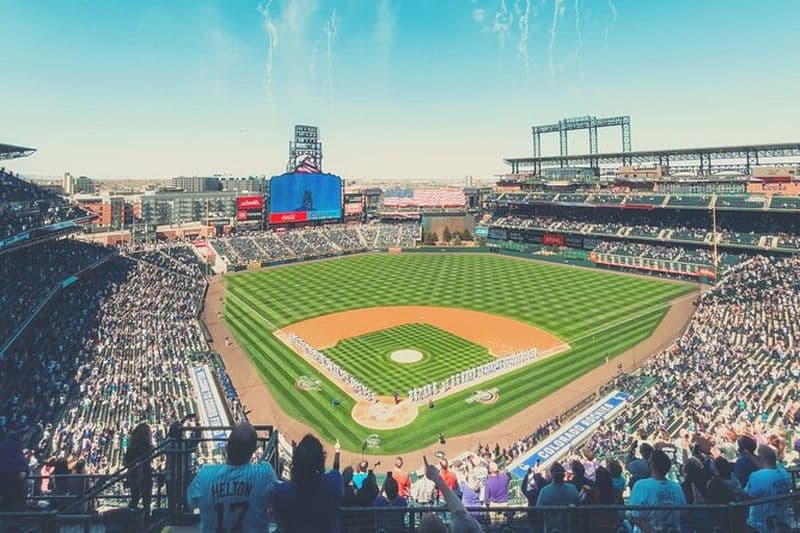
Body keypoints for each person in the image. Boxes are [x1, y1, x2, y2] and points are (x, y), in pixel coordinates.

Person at [187, 423, 277, 533]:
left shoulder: (204, 474)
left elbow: (191, 502)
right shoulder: (264, 473)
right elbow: (276, 504)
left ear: (227, 447)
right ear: (253, 451)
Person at [273, 434, 342, 533]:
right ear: (321, 461)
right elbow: (335, 473)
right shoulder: (333, 482)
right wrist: (337, 451)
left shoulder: (282, 492)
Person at [417, 456, 481, 533]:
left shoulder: (447, 475)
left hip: (441, 498)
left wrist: (436, 480)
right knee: (450, 517)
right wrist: (437, 479)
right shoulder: (452, 475)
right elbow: (462, 515)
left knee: (443, 514)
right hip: (448, 499)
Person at [628, 449, 686, 533]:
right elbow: (683, 513)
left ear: (651, 465)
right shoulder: (677, 487)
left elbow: (634, 516)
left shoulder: (640, 486)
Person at [744, 445, 792, 533]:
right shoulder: (784, 473)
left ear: (761, 458)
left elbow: (748, 496)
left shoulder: (756, 476)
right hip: (782, 522)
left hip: (761, 525)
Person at [536, 462, 579, 532]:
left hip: (551, 527)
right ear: (563, 474)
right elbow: (578, 504)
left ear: (551, 474)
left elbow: (538, 510)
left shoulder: (544, 491)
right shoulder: (572, 488)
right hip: (569, 528)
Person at [125, 423, 155, 516]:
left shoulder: (131, 447)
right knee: (146, 501)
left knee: (134, 499)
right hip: (145, 474)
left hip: (133, 474)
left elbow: (127, 462)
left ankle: (133, 521)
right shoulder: (148, 447)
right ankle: (146, 521)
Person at [0, 429, 28, 511]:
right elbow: (21, 463)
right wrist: (24, 471)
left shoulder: (3, 447)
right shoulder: (16, 448)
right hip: (15, 479)